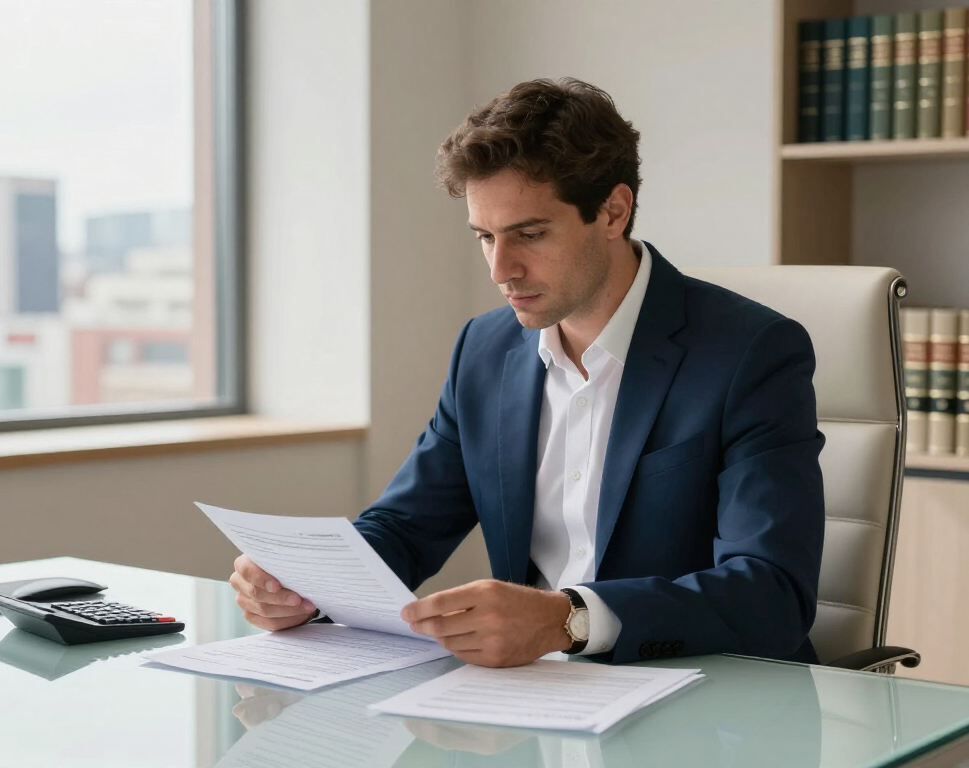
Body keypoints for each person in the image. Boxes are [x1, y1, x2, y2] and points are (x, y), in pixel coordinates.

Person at [229, 77, 825, 668]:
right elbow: (407, 526)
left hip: (704, 701)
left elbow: (771, 593)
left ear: (614, 211)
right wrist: (306, 586)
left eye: (529, 235)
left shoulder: (751, 352)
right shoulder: (485, 349)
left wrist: (569, 618)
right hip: (533, 699)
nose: (500, 269)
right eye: (485, 237)